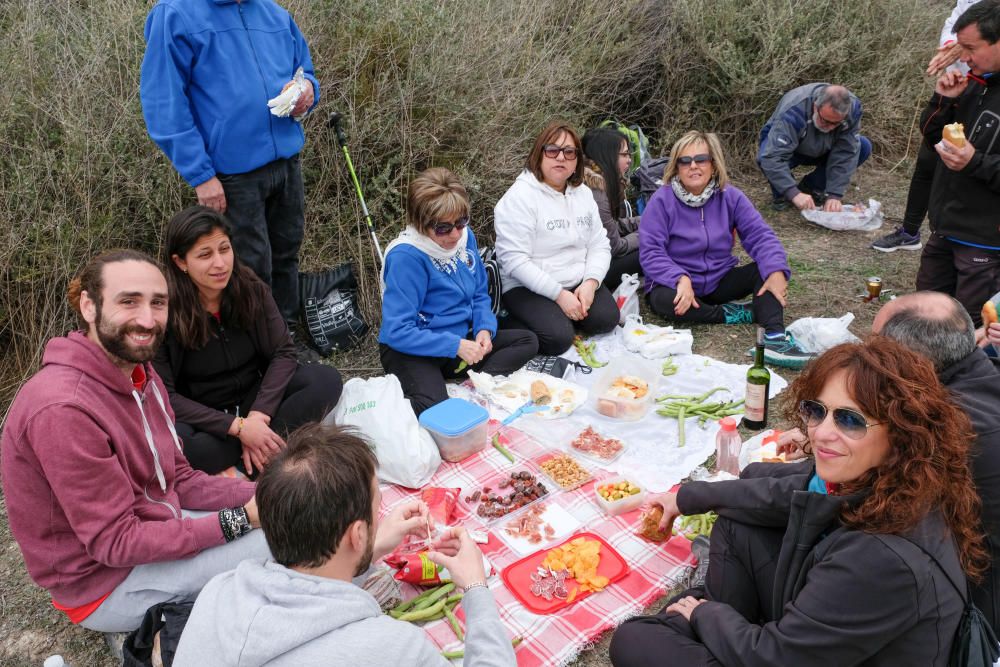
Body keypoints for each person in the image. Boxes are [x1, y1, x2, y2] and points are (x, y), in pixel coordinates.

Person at [609, 337, 987, 666]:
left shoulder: (882, 558)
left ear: (901, 433)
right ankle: (716, 627)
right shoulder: (893, 478)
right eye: (817, 411)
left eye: (850, 421)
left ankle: (706, 621)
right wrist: (687, 497)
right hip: (825, 641)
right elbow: (774, 493)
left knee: (635, 640)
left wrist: (708, 615)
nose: (822, 434)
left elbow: (778, 659)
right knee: (739, 522)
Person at [0, 250, 270, 635]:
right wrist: (241, 518)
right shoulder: (63, 409)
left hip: (156, 524)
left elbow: (180, 479)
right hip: (106, 583)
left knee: (288, 514)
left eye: (157, 303)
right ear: (89, 306)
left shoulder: (141, 375)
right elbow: (116, 542)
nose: (147, 319)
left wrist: (269, 493)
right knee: (290, 539)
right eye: (129, 301)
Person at [173, 423, 516, 666]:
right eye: (376, 507)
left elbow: (312, 591)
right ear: (356, 535)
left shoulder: (217, 593)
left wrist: (374, 546)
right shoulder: (393, 649)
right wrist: (475, 588)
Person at [140, 0, 319, 331]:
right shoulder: (176, 14)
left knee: (286, 256)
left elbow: (303, 70)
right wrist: (201, 175)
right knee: (248, 269)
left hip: (286, 163)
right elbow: (164, 102)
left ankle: (286, 339)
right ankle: (256, 351)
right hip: (232, 175)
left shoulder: (274, 13)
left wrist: (307, 89)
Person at [154, 206, 343, 475]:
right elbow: (165, 396)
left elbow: (283, 352)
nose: (220, 263)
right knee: (182, 445)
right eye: (205, 255)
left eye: (224, 249)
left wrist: (258, 417)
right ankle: (267, 448)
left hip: (256, 399)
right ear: (181, 262)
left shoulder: (250, 288)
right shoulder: (165, 311)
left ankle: (253, 454)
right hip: (206, 415)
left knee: (325, 380)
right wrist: (239, 429)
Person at [640, 131, 811, 368]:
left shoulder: (730, 196)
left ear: (713, 163)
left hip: (719, 279)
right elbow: (650, 251)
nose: (693, 166)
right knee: (663, 302)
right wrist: (679, 277)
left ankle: (775, 339)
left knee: (766, 270)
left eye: (701, 159)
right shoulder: (661, 200)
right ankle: (731, 314)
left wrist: (776, 271)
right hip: (677, 285)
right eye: (685, 161)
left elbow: (760, 235)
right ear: (676, 167)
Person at [379, 168, 538, 416]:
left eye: (461, 222)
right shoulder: (406, 257)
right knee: (436, 410)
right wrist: (455, 345)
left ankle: (473, 385)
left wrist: (484, 328)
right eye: (443, 228)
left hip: (461, 340)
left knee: (527, 340)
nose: (455, 234)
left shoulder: (465, 238)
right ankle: (409, 397)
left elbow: (478, 293)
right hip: (414, 348)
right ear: (420, 224)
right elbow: (397, 331)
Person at [494, 121, 618, 355]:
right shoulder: (519, 198)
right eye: (552, 150)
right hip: (527, 286)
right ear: (539, 154)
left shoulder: (582, 193)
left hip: (576, 279)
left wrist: (591, 282)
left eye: (569, 152)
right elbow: (515, 261)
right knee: (558, 339)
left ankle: (563, 317)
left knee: (606, 319)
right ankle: (515, 321)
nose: (561, 158)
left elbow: (599, 244)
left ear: (577, 160)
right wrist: (559, 296)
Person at [914, 0, 1000, 327]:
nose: (962, 57)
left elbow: (977, 162)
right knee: (924, 321)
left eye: (970, 48)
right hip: (945, 228)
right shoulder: (977, 83)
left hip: (985, 243)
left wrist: (974, 162)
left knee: (970, 333)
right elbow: (932, 138)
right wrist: (943, 100)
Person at [871, 0, 982, 252]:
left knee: (970, 164)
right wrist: (948, 46)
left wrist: (963, 46)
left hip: (984, 86)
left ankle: (965, 240)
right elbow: (955, 18)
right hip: (957, 81)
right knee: (928, 158)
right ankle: (910, 231)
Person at [758, 83, 871, 212]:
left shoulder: (853, 109)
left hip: (824, 147)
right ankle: (784, 193)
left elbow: (846, 152)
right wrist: (792, 192)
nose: (830, 127)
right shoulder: (794, 109)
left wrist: (834, 194)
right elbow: (772, 156)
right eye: (826, 121)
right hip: (790, 149)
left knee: (863, 146)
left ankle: (812, 187)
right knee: (764, 156)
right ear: (815, 106)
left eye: (836, 123)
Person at [582, 126, 642, 291]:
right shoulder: (596, 192)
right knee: (651, 249)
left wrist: (644, 221)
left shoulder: (596, 182)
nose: (629, 159)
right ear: (607, 155)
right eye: (624, 154)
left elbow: (611, 226)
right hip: (589, 271)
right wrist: (646, 234)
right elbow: (615, 247)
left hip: (590, 261)